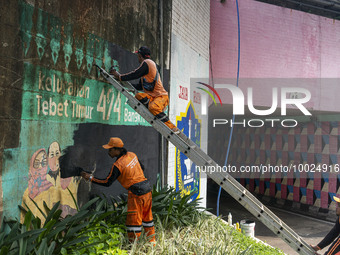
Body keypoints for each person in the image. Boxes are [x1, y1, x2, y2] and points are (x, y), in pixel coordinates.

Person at [80, 137, 156, 243]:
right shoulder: (132, 155)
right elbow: (141, 168)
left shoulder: (118, 165)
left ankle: (133, 246)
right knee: (147, 218)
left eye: (110, 149)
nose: (108, 152)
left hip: (136, 194)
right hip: (147, 190)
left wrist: (90, 178)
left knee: (133, 221)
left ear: (117, 149)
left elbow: (107, 182)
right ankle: (152, 242)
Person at [110, 46, 179, 134]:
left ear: (140, 55)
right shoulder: (148, 68)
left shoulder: (147, 63)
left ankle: (172, 127)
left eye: (138, 55)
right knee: (138, 96)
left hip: (161, 97)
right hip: (153, 98)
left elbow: (135, 74)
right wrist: (124, 84)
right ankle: (155, 107)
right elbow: (139, 86)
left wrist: (119, 76)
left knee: (153, 107)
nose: (138, 58)